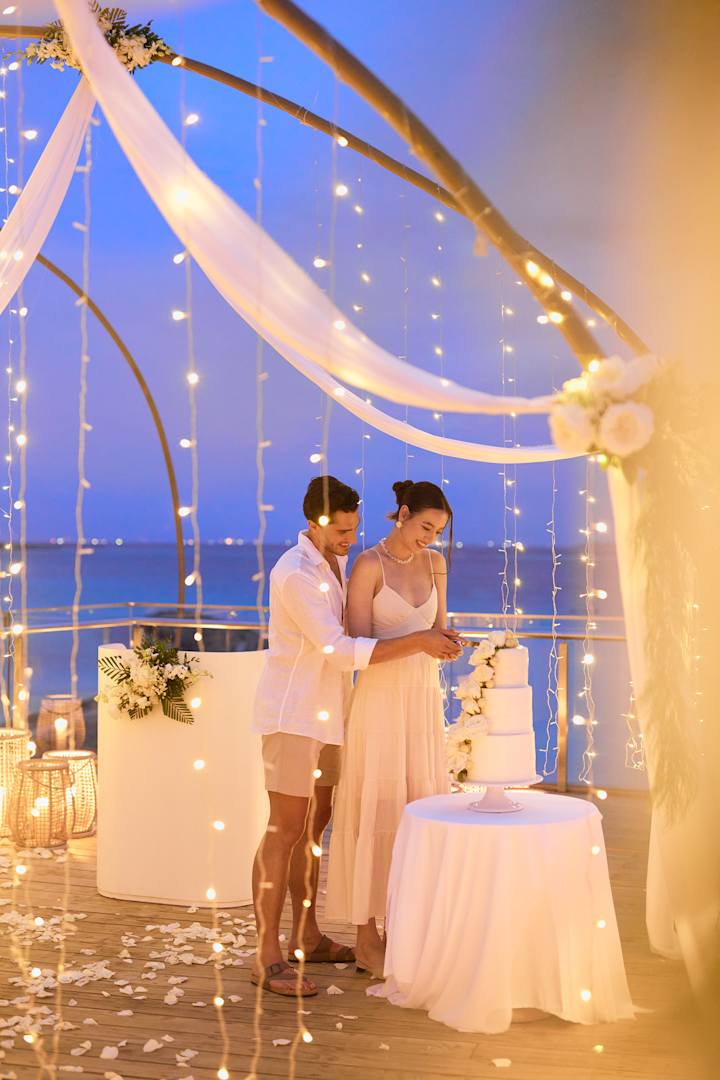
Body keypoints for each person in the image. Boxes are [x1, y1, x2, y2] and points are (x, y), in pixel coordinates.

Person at [250, 475, 462, 997]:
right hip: (293, 715)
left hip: (334, 715)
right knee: (284, 828)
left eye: (353, 529)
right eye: (341, 532)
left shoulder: (338, 563)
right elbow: (340, 650)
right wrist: (420, 640)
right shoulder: (295, 573)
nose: (350, 540)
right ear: (314, 523)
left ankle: (308, 935)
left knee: (315, 826)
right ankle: (265, 955)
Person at [326, 480, 456, 978]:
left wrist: (445, 643)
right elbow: (357, 646)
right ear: (402, 514)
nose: (430, 537)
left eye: (437, 531)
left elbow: (436, 628)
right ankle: (366, 937)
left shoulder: (436, 563)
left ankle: (407, 926)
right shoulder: (368, 565)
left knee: (417, 808)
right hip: (380, 702)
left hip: (422, 700)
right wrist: (421, 640)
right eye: (425, 526)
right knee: (375, 809)